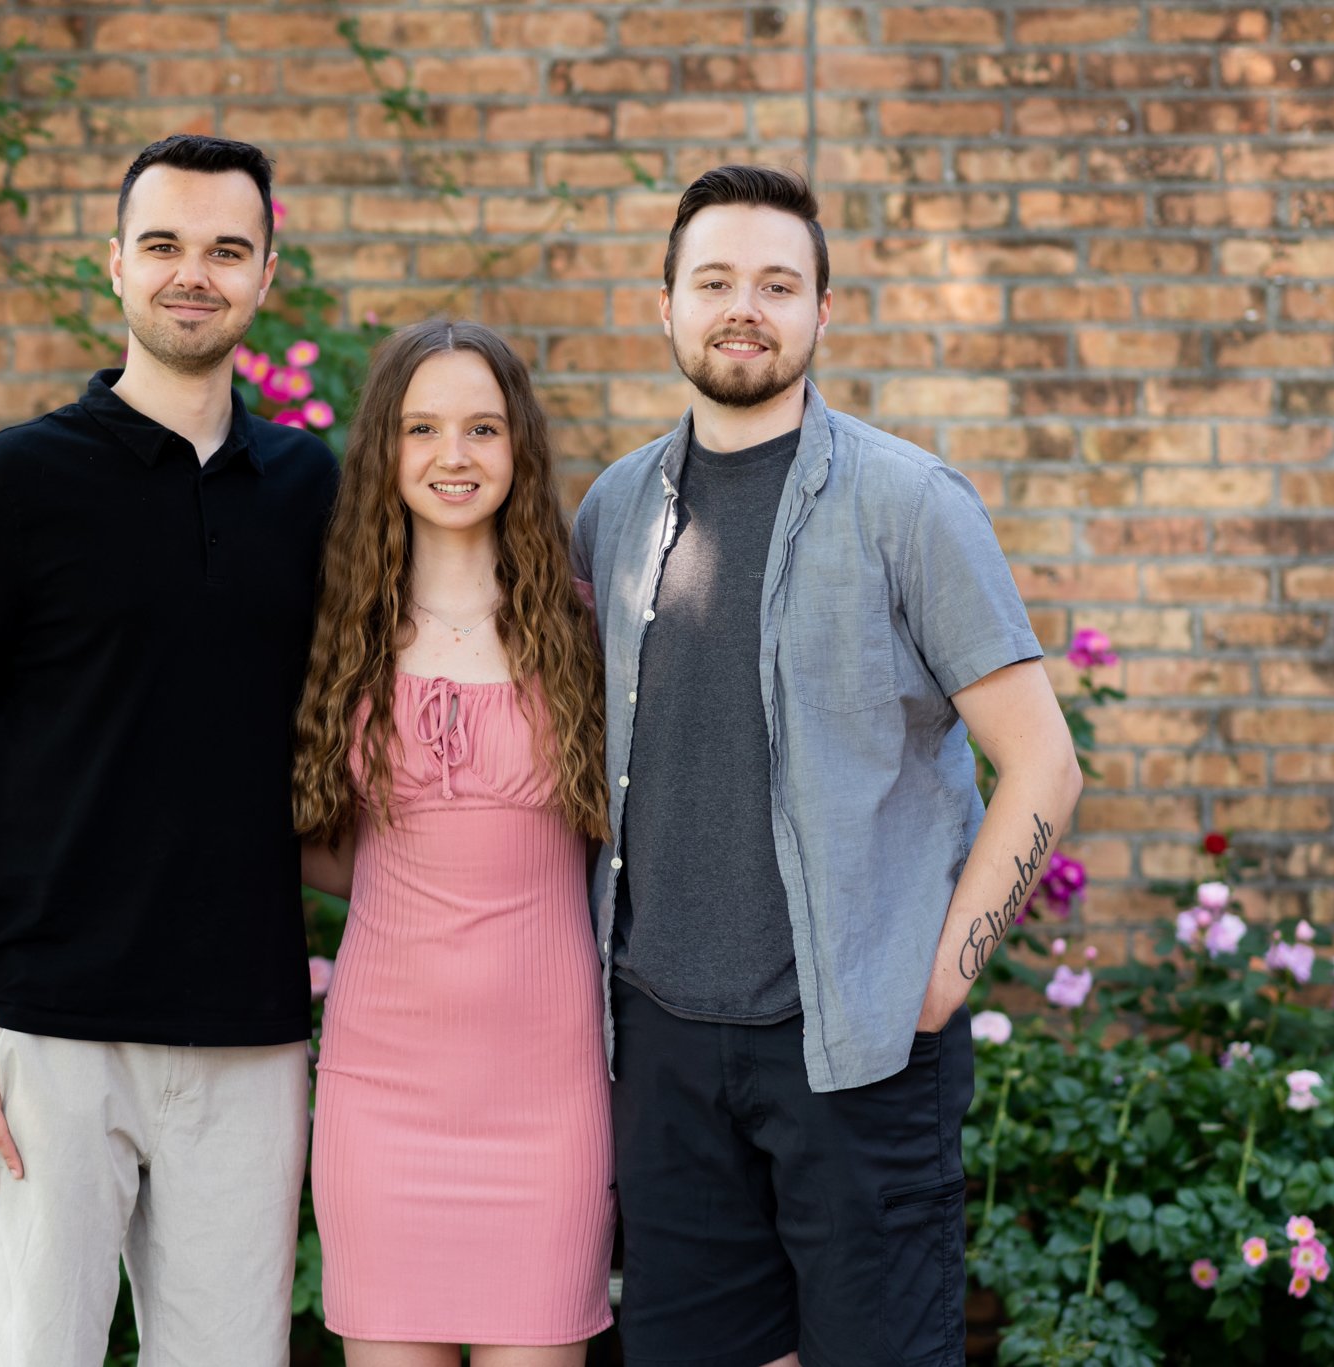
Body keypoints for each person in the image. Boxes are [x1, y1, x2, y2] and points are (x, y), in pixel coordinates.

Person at [571, 164, 1085, 1367]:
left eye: (774, 282)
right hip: (663, 1048)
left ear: (821, 310)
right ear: (665, 306)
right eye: (712, 280)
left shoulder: (909, 503)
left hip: (855, 1044)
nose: (741, 306)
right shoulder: (611, 512)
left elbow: (1041, 764)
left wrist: (938, 981)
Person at [0, 134, 339, 1367]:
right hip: (50, 1031)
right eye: (166, 245)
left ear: (264, 273)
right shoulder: (15, 484)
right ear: (115, 265)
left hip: (249, 1034)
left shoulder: (310, 490)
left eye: (226, 249)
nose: (195, 272)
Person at [295, 319, 615, 1367]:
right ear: (385, 448)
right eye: (423, 428)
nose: (453, 455)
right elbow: (313, 837)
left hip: (547, 1102)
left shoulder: (580, 630)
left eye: (482, 427)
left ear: (516, 446)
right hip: (379, 1095)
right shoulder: (339, 629)